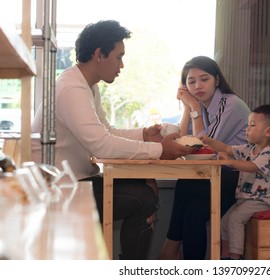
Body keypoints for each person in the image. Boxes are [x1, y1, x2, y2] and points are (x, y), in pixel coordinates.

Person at [31, 20, 192, 260]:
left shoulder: (86, 85)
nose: (122, 65)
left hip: (77, 179)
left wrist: (144, 134)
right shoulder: (71, 88)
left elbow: (105, 131)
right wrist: (159, 149)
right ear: (98, 54)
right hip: (58, 189)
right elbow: (102, 145)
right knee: (143, 199)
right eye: (119, 57)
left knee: (145, 190)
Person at [158, 56, 251, 260]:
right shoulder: (199, 106)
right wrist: (187, 108)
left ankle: (170, 248)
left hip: (240, 178)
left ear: (217, 80)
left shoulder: (231, 104)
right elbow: (182, 143)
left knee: (188, 183)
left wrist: (195, 109)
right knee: (193, 212)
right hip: (214, 176)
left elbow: (202, 148)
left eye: (204, 79)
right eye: (191, 82)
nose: (198, 86)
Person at [201, 104, 270, 260]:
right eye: (248, 125)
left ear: (268, 131)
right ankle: (224, 256)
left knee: (235, 219)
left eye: (252, 125)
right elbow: (226, 148)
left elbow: (253, 167)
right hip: (245, 199)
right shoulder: (248, 148)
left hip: (262, 200)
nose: (247, 129)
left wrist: (230, 162)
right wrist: (209, 141)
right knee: (224, 222)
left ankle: (235, 257)